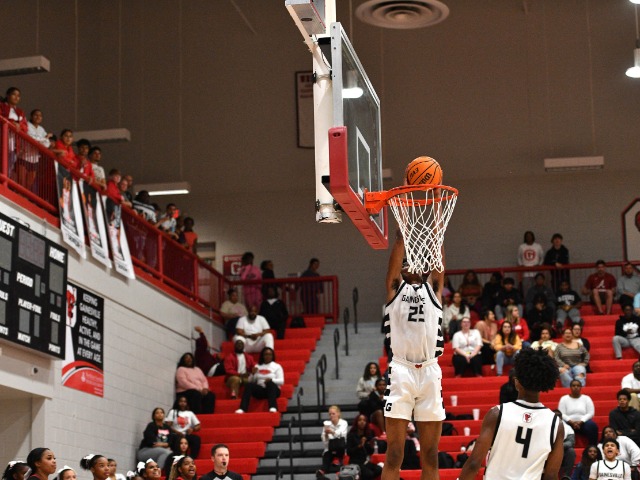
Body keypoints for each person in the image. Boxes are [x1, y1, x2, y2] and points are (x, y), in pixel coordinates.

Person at [381, 233, 445, 480]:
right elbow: (397, 254)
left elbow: (439, 264)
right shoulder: (395, 289)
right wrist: (402, 233)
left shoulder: (434, 289)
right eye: (408, 262)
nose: (413, 266)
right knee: (395, 454)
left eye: (419, 262)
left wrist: (437, 229)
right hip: (401, 371)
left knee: (430, 455)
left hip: (429, 371)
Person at [458, 347, 564, 480]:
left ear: (516, 382)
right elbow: (551, 475)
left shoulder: (497, 414)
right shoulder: (556, 423)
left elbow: (474, 464)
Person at [235, 347, 283, 414]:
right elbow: (250, 381)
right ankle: (242, 408)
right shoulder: (257, 366)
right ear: (263, 356)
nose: (268, 356)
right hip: (261, 390)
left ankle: (273, 407)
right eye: (266, 354)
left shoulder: (277, 366)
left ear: (272, 356)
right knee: (249, 385)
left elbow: (281, 381)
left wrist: (271, 380)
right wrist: (252, 374)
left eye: (270, 354)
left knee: (270, 383)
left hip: (273, 390)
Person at [557, 380, 599, 446]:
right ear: (570, 387)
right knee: (560, 426)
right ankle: (561, 447)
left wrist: (581, 421)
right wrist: (571, 422)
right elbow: (561, 413)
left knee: (592, 426)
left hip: (583, 423)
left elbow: (591, 413)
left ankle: (592, 447)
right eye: (573, 386)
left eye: (578, 386)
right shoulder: (564, 399)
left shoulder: (586, 398)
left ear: (581, 387)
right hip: (568, 422)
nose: (576, 387)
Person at [345, 414, 383, 480]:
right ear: (356, 422)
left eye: (364, 420)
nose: (362, 422)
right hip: (355, 463)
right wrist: (359, 446)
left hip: (364, 462)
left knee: (379, 469)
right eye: (360, 420)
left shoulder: (367, 435)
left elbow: (370, 453)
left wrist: (371, 446)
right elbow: (349, 452)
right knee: (369, 474)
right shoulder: (351, 435)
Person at [317, 406, 349, 477]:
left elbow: (341, 435)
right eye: (330, 414)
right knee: (326, 455)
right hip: (330, 450)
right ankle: (322, 472)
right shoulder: (327, 424)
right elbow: (325, 443)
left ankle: (337, 464)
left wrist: (332, 432)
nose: (331, 415)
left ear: (338, 414)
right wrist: (326, 434)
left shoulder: (343, 423)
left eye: (333, 414)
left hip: (341, 449)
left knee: (340, 444)